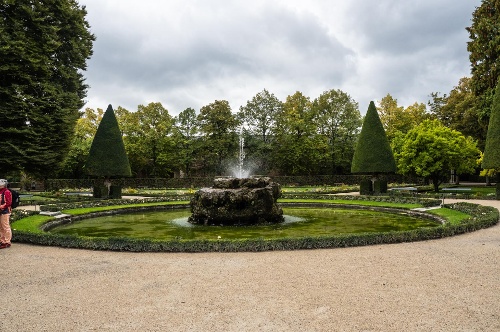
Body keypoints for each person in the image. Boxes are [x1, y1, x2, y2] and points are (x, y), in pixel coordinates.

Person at [0, 179, 12, 249]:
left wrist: (2, 206)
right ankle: (2, 240)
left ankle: (7, 241)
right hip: (1, 211)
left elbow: (8, 202)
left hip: (5, 211)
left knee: (5, 226)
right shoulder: (1, 191)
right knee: (1, 227)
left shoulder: (7, 191)